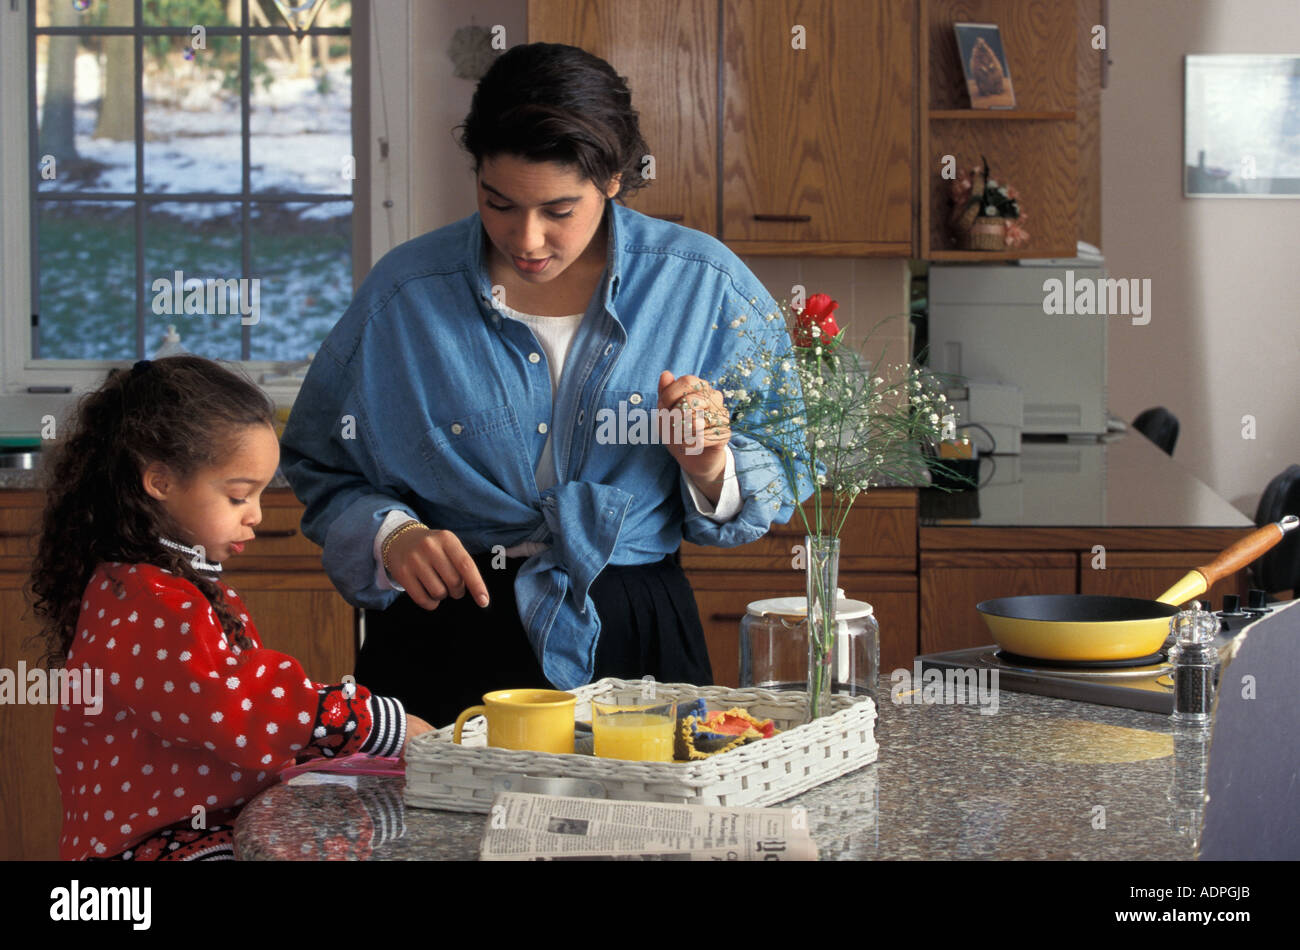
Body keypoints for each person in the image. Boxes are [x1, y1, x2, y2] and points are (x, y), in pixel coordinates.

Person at [279, 42, 806, 729]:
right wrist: (391, 537)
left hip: (635, 628)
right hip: (444, 628)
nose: (526, 238)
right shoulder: (404, 294)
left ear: (613, 178)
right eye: (498, 203)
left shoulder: (706, 285)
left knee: (647, 833)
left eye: (559, 210)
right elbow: (322, 464)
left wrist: (712, 465)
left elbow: (791, 452)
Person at [26, 356, 432, 861]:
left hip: (195, 829)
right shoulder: (151, 602)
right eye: (239, 496)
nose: (256, 515)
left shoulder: (154, 583)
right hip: (155, 846)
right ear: (161, 482)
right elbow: (236, 702)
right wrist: (369, 723)